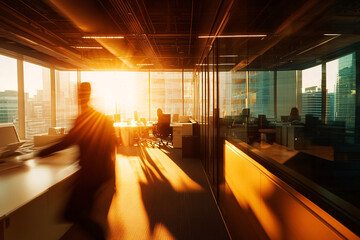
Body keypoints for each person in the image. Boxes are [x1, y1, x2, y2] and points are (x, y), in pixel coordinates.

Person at [37, 82, 116, 240]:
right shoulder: (101, 118)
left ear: (81, 96)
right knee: (82, 210)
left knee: (70, 212)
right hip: (102, 173)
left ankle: (99, 234)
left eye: (79, 94)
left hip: (90, 175)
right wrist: (114, 178)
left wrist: (40, 153)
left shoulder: (83, 119)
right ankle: (96, 232)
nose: (78, 98)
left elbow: (67, 141)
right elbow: (111, 148)